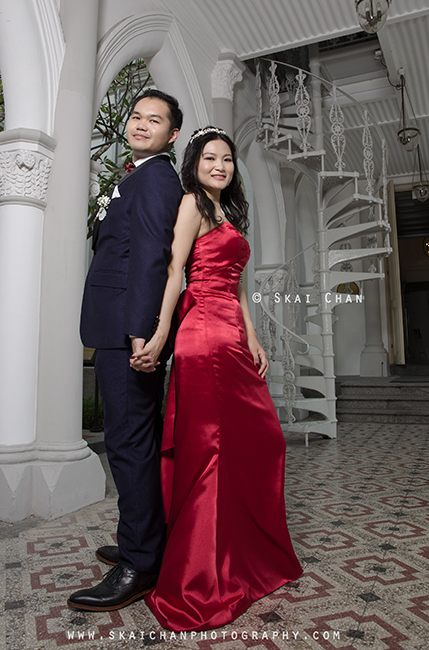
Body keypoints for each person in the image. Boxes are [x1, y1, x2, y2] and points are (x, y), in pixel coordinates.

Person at [132, 127, 303, 630]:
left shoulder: (231, 213)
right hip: (203, 336)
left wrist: (254, 337)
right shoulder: (192, 205)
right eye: (210, 158)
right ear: (195, 162)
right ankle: (200, 577)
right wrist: (163, 331)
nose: (220, 166)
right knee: (210, 451)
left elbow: (240, 287)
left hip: (232, 334)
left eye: (227, 159)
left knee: (262, 442)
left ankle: (244, 557)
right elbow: (174, 271)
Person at [67, 90, 183, 612]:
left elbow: (154, 258)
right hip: (114, 325)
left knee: (129, 442)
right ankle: (143, 539)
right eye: (136, 116)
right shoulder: (135, 174)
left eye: (154, 120)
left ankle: (141, 563)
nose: (140, 124)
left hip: (126, 330)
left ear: (172, 134)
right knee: (132, 439)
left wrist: (142, 330)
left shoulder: (158, 177)